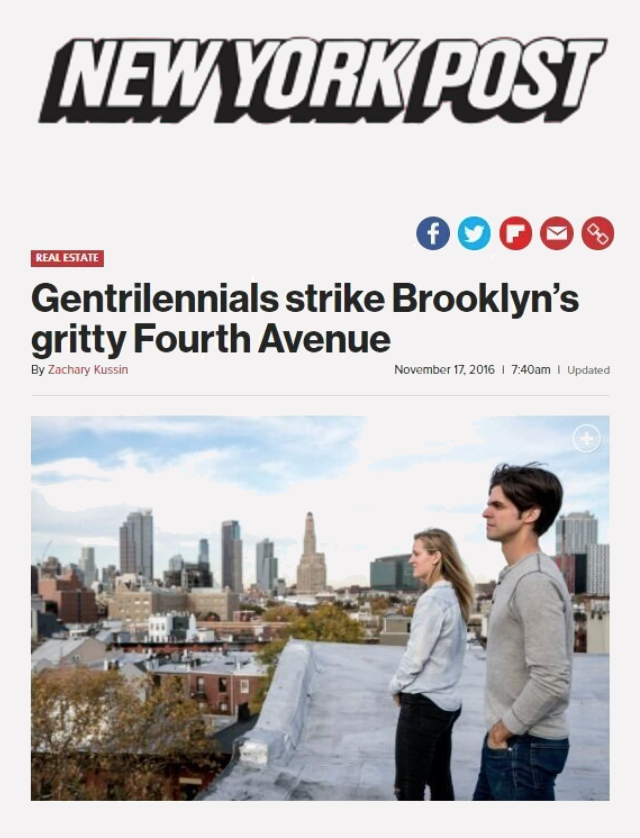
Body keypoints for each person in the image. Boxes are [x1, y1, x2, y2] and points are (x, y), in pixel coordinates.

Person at [473, 463, 574, 801]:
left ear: (531, 513)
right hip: (513, 743)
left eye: (498, 505)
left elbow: (551, 679)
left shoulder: (534, 581)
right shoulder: (516, 574)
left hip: (523, 747)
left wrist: (501, 733)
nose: (486, 512)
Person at [390, 528, 474, 801]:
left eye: (416, 554)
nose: (411, 560)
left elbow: (415, 657)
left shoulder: (433, 600)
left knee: (408, 789)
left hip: (424, 706)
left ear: (436, 557)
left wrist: (395, 686)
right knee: (440, 783)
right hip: (446, 705)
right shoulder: (456, 597)